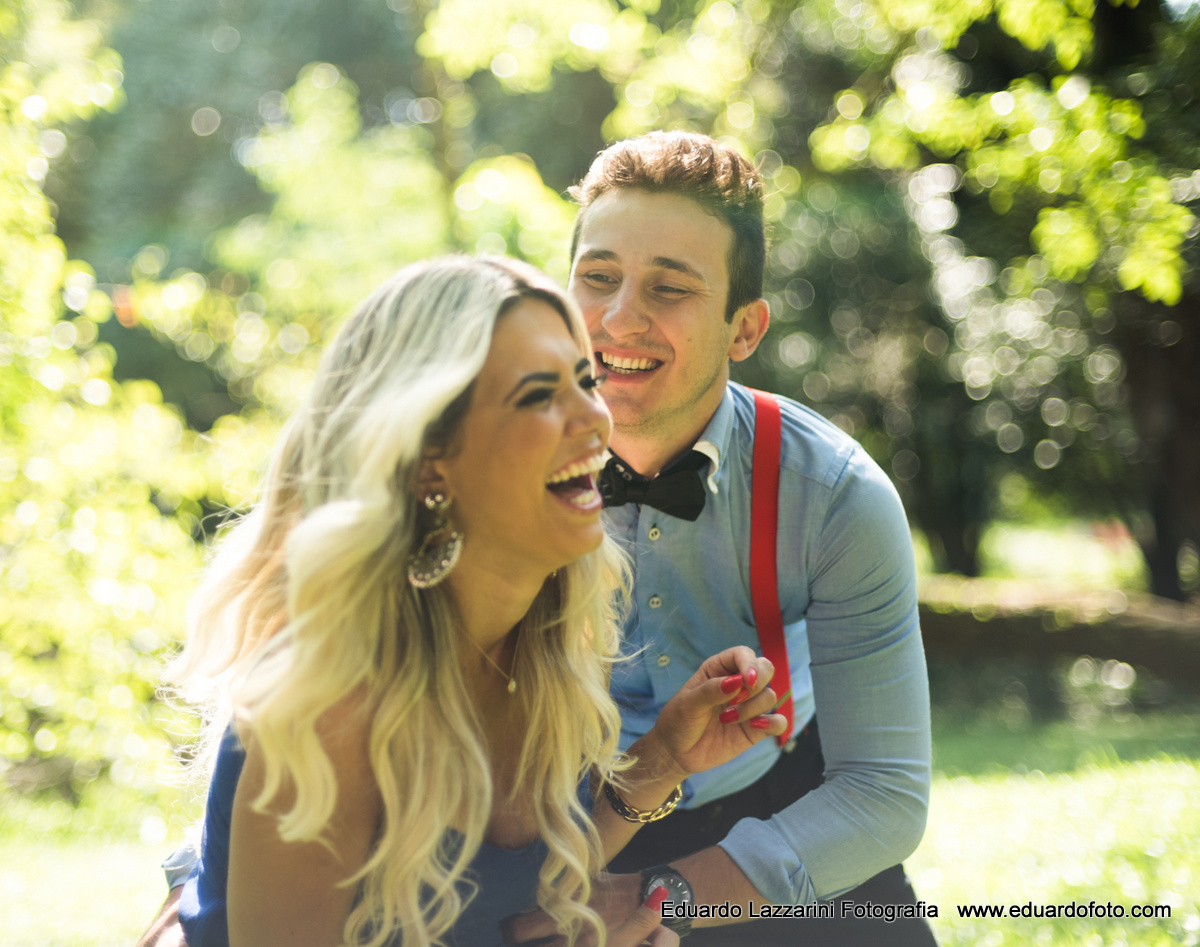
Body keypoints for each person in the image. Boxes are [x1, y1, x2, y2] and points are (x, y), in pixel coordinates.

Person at [150, 255, 789, 947]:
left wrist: (663, 758)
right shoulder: (328, 705)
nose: (595, 418)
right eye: (539, 395)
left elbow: (508, 888)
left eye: (585, 381)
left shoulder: (544, 639)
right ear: (430, 458)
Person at [501, 132, 935, 945]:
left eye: (669, 288)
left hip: (784, 809)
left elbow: (883, 792)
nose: (619, 317)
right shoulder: (491, 466)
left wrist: (663, 896)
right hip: (547, 821)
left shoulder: (834, 496)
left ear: (745, 329)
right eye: (598, 278)